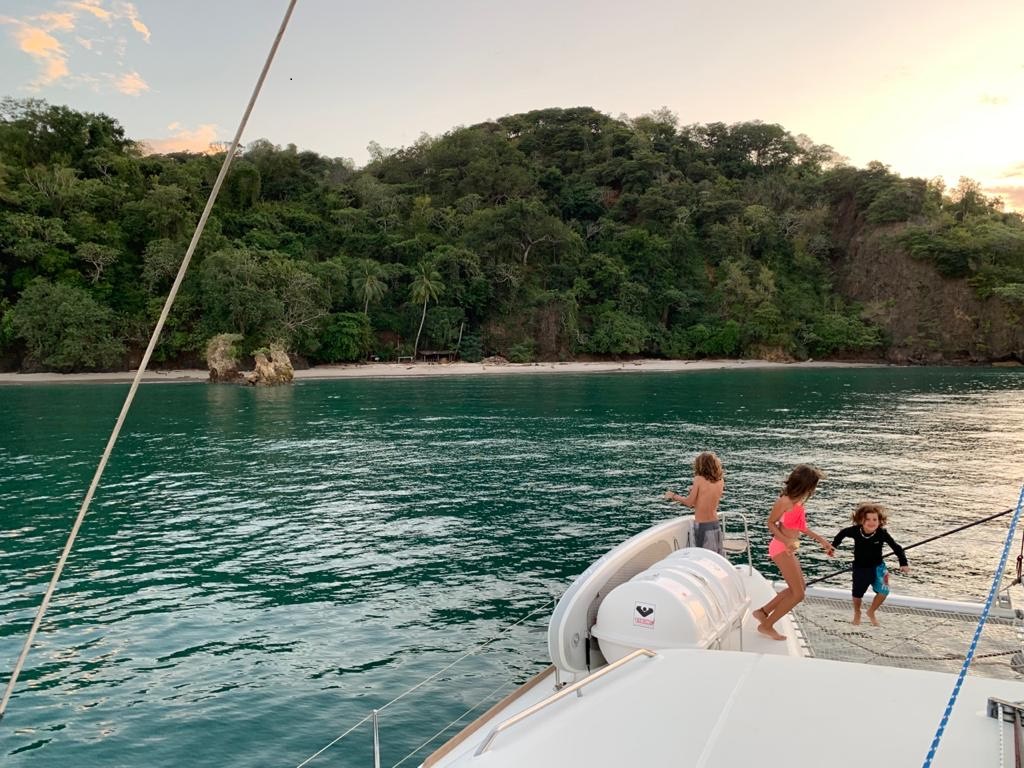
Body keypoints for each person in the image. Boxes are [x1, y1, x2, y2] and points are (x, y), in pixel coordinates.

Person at [752, 464, 834, 640]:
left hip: (788, 548)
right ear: (805, 485)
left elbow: (802, 528)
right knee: (798, 594)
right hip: (780, 548)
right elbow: (770, 523)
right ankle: (766, 625)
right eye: (813, 485)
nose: (814, 489)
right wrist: (786, 540)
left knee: (797, 589)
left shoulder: (797, 502)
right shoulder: (784, 501)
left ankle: (762, 612)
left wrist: (822, 541)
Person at [832, 503, 909, 626]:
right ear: (861, 520)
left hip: (878, 567)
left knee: (884, 591)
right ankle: (857, 612)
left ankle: (871, 611)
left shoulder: (882, 533)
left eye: (875, 519)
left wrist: (903, 563)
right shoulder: (855, 531)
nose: (871, 522)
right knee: (857, 593)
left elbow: (897, 548)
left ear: (880, 521)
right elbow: (842, 534)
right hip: (860, 568)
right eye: (867, 519)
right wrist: (833, 546)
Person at [665, 451, 726, 556]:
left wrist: (673, 496)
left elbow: (689, 503)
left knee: (702, 557)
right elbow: (706, 502)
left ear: (701, 465)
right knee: (715, 557)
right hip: (715, 524)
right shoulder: (720, 481)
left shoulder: (698, 479)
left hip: (703, 526)